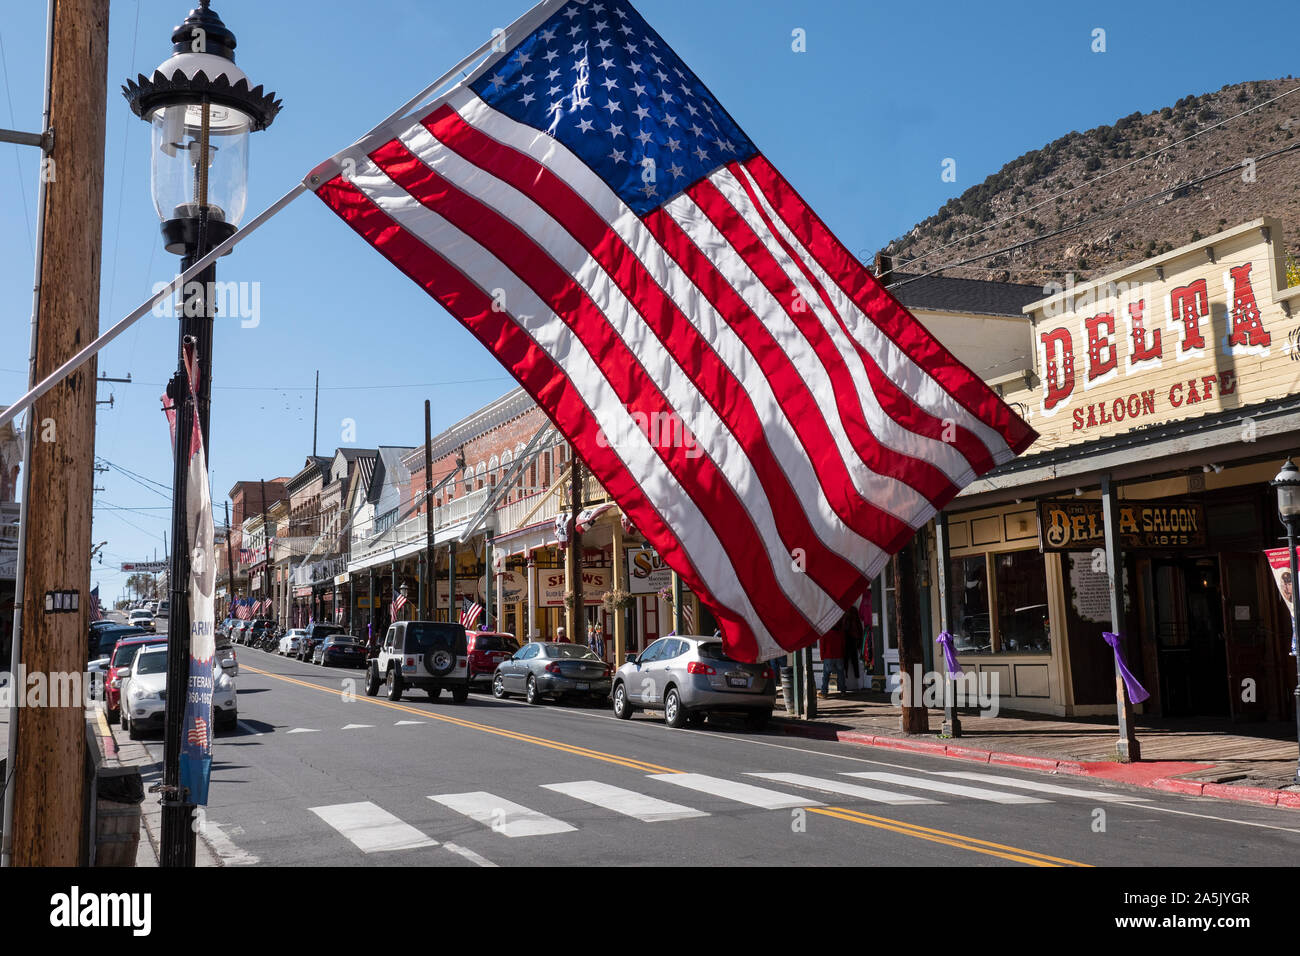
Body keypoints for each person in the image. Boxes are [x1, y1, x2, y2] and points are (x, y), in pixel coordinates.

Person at [819, 619, 845, 697]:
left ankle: (824, 692)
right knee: (841, 675)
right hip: (839, 656)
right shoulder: (840, 633)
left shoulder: (825, 633)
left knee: (826, 675)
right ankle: (843, 691)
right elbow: (843, 645)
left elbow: (822, 646)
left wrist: (822, 657)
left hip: (828, 656)